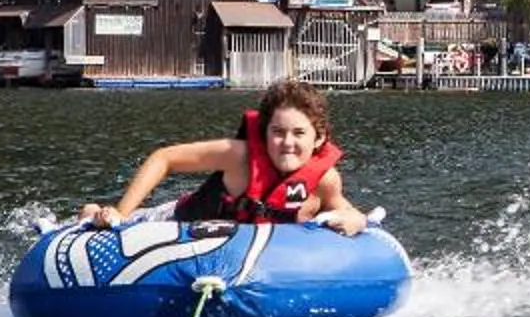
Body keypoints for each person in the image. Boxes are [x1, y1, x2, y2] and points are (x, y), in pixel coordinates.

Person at [78, 77, 368, 234]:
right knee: (104, 223)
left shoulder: (324, 180)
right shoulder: (237, 156)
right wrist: (121, 212)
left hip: (248, 249)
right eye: (277, 132)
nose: (287, 143)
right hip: (173, 224)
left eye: (299, 134)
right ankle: (93, 210)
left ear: (319, 139)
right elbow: (163, 158)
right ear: (265, 132)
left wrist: (358, 221)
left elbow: (347, 210)